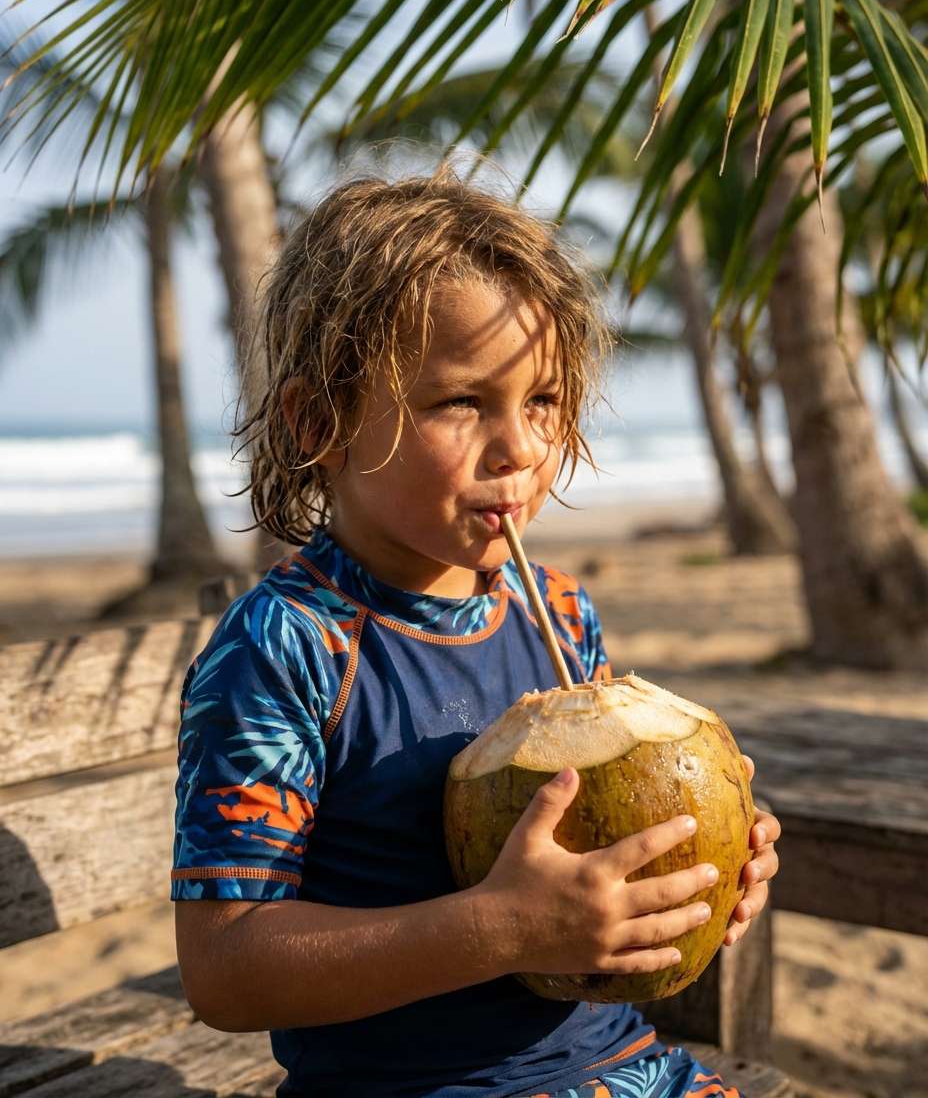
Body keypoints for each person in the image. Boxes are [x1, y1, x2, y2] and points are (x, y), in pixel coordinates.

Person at [171, 164, 781, 1098]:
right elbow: (225, 968)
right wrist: (503, 927)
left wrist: (695, 872)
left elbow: (597, 861)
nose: (523, 449)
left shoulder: (561, 612)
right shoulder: (288, 645)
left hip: (620, 1065)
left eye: (540, 402)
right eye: (462, 403)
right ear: (318, 421)